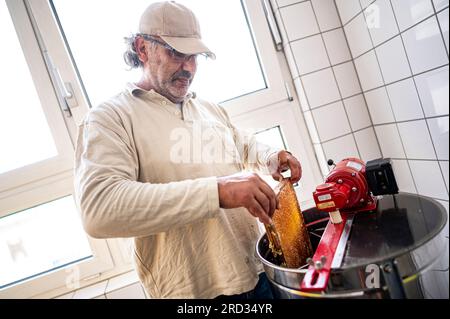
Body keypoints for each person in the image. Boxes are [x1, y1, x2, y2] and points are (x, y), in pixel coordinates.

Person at [74, 1, 302, 299]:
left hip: (257, 274)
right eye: (176, 53)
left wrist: (270, 156)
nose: (189, 67)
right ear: (142, 49)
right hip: (195, 294)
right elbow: (99, 209)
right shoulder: (110, 118)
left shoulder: (207, 108)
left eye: (194, 56)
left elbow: (240, 143)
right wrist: (218, 192)